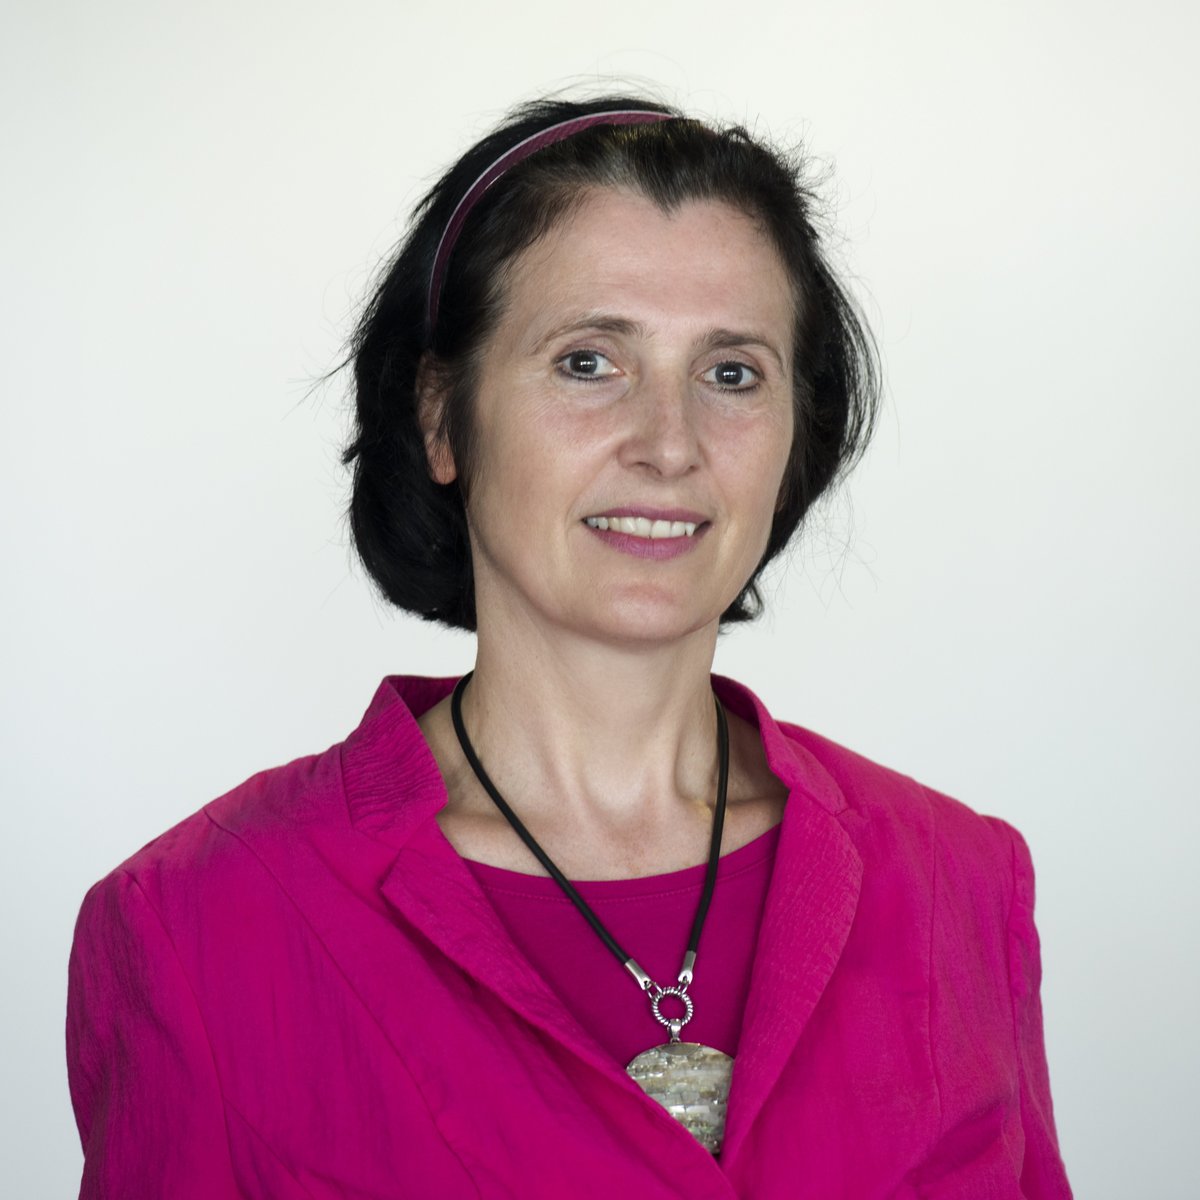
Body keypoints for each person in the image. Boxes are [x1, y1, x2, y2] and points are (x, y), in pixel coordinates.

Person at [66, 95, 1074, 1198]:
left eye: (731, 372)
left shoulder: (959, 880)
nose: (669, 444)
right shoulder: (200, 928)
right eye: (589, 362)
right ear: (444, 419)